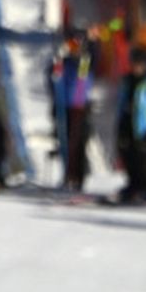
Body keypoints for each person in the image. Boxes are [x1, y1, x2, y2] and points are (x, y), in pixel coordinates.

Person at [115, 48, 146, 205]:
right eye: (134, 64)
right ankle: (133, 184)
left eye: (139, 64)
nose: (136, 67)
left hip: (143, 124)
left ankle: (145, 187)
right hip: (127, 121)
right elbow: (121, 99)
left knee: (142, 157)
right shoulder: (127, 80)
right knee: (127, 154)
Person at [49, 36, 96, 193]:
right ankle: (68, 175)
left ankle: (78, 178)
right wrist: (56, 65)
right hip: (65, 107)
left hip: (78, 107)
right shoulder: (65, 64)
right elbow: (54, 80)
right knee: (65, 142)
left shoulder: (83, 63)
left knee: (77, 142)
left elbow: (82, 82)